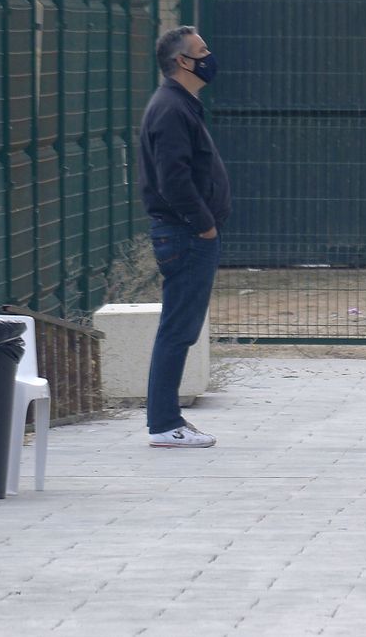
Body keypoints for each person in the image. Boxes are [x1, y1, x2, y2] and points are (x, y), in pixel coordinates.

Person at [139, 25, 230, 447]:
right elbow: (172, 179)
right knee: (177, 328)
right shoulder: (171, 109)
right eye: (203, 49)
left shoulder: (180, 105)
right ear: (182, 62)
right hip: (186, 235)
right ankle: (163, 423)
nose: (210, 56)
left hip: (188, 234)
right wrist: (204, 224)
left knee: (179, 327)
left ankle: (166, 419)